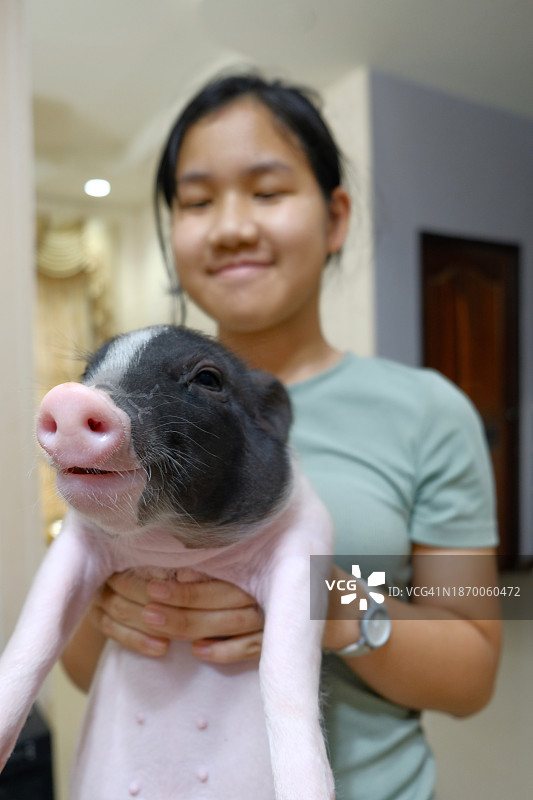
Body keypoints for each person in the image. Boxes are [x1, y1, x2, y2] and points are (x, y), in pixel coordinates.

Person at [61, 73, 501, 799]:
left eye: (266, 192)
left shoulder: (427, 411)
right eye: (198, 201)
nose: (232, 225)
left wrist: (326, 602)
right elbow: (82, 673)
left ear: (333, 218)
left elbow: (474, 665)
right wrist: (112, 608)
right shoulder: (119, 410)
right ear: (174, 234)